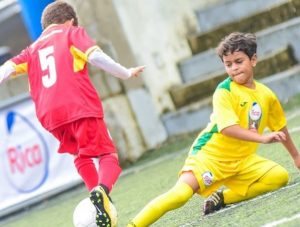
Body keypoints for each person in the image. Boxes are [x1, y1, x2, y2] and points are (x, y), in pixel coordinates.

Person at [127, 32, 300, 227]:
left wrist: (295, 156)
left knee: (279, 177)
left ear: (253, 60)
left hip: (241, 161)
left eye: (238, 61)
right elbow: (227, 128)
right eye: (228, 64)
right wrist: (263, 139)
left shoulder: (266, 95)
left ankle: (222, 198)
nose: (233, 68)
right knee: (180, 195)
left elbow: (280, 126)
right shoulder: (224, 91)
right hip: (209, 156)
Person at [0, 1, 144, 227]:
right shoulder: (72, 33)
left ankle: (100, 200)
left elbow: (7, 68)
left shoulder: (32, 49)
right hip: (78, 107)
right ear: (69, 20)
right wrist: (125, 73)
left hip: (50, 117)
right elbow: (95, 56)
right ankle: (103, 192)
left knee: (81, 156)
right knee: (108, 156)